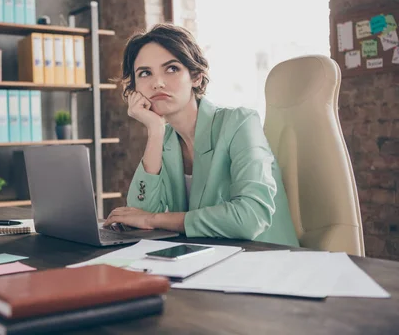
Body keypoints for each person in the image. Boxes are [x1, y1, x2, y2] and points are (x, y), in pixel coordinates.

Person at [103, 23, 299, 247]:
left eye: (172, 68)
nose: (157, 82)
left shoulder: (239, 124)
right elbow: (141, 214)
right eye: (145, 73)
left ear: (196, 77)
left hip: (264, 261)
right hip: (205, 261)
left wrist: (153, 219)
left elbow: (251, 217)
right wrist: (155, 131)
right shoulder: (165, 140)